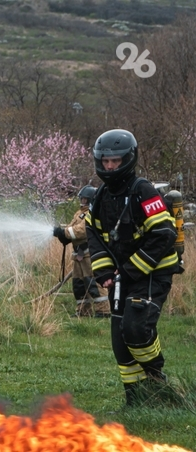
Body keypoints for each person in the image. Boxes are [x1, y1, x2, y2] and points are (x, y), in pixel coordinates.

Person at [85, 129, 179, 407]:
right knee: (120, 341)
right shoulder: (101, 196)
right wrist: (103, 272)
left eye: (115, 160)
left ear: (128, 159)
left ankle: (156, 378)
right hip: (121, 277)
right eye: (105, 161)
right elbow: (94, 233)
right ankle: (136, 402)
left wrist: (128, 272)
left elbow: (164, 234)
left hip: (153, 272)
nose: (110, 166)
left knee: (136, 327)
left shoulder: (143, 190)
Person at [53, 185, 110, 318]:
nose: (83, 201)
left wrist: (64, 232)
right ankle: (83, 311)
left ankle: (103, 311)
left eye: (85, 199)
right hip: (78, 254)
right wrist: (62, 234)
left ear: (91, 199)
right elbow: (72, 227)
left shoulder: (94, 212)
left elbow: (82, 230)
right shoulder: (79, 213)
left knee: (94, 282)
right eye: (82, 199)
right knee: (79, 284)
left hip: (89, 253)